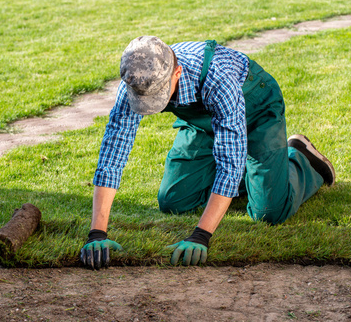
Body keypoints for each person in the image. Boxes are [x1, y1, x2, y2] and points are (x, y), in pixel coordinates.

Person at [79, 36, 335, 270]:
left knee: (269, 212)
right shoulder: (137, 80)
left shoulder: (218, 78)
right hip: (202, 121)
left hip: (255, 109)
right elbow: (113, 153)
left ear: (177, 73)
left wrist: (201, 235)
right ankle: (257, 174)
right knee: (174, 202)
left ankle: (300, 159)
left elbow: (230, 164)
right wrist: (97, 233)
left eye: (159, 95)